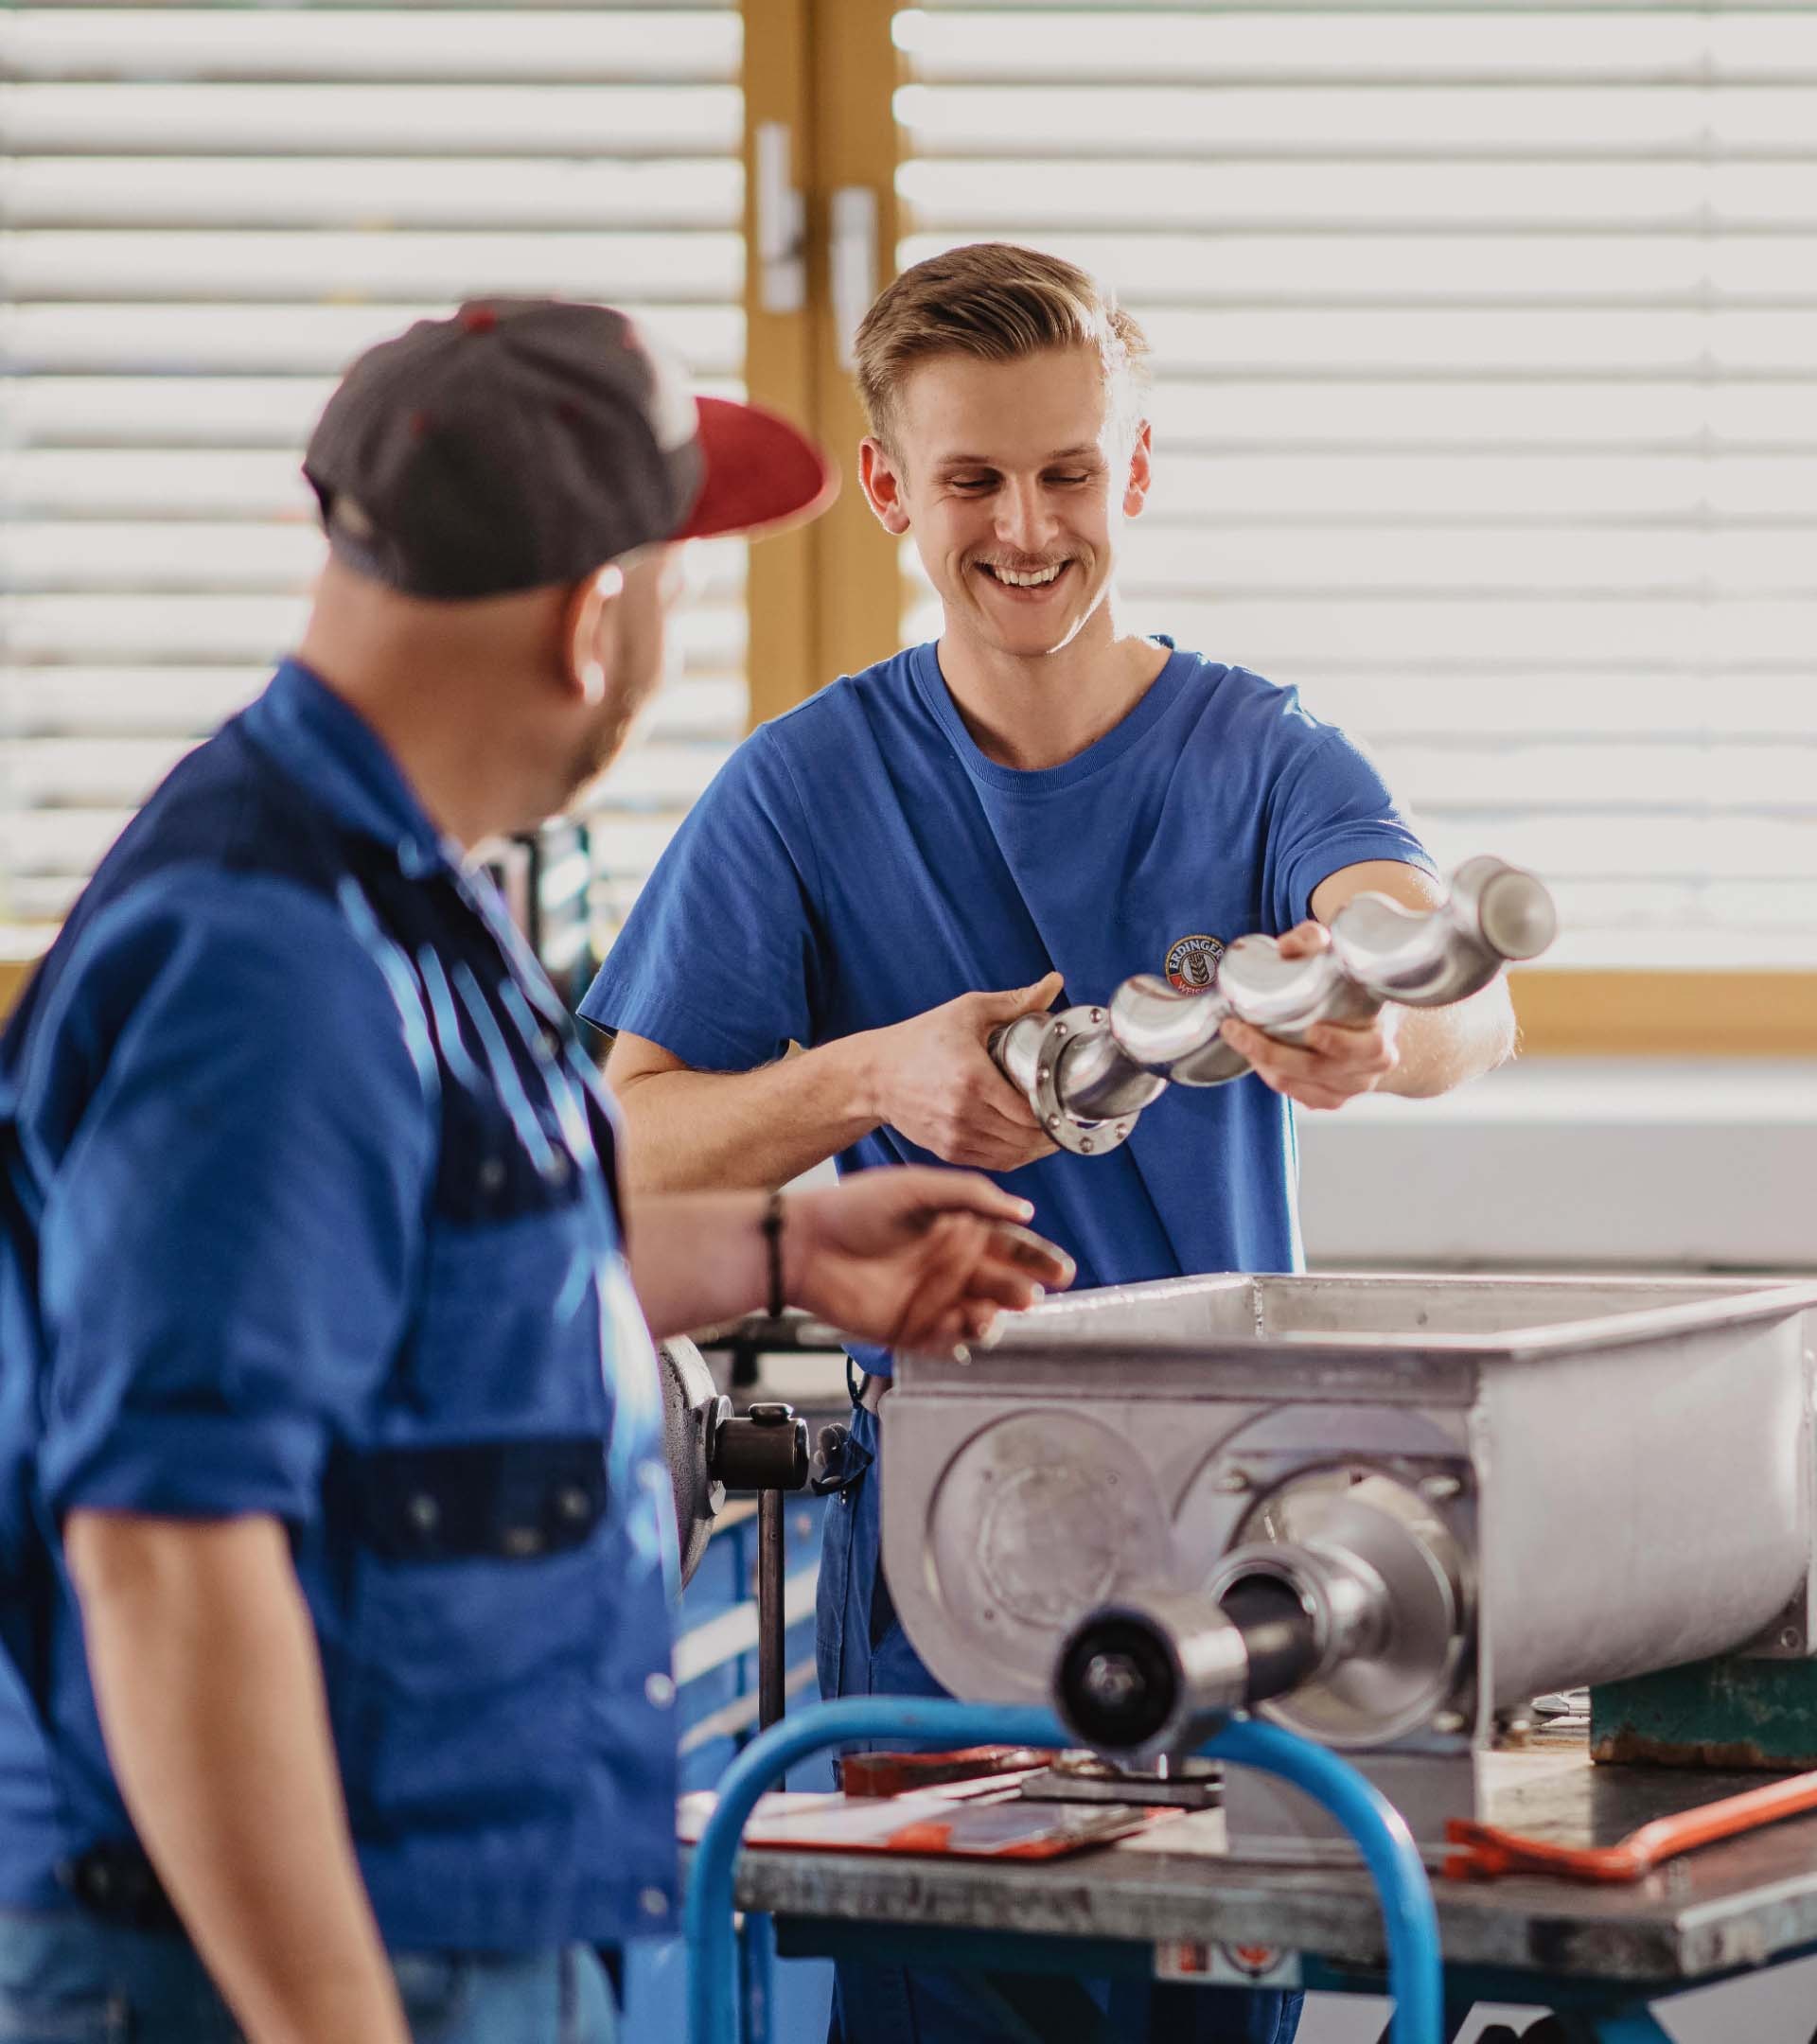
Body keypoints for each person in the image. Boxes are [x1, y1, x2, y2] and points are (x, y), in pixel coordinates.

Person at [0, 296, 1075, 2044]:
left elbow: (429, 1288)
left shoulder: (404, 899)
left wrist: (781, 1253)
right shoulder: (269, 962)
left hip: (438, 1921)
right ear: (592, 618)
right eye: (674, 574)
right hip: (279, 1963)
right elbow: (167, 1554)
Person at [580, 243, 1517, 2044]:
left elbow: (1454, 988)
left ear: (1137, 473)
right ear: (887, 494)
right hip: (944, 1556)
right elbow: (621, 1148)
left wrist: (1380, 1027)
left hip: (1233, 1552)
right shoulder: (802, 788)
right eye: (974, 479)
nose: (1027, 525)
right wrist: (870, 1080)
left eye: (1069, 471)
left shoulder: (1261, 755)